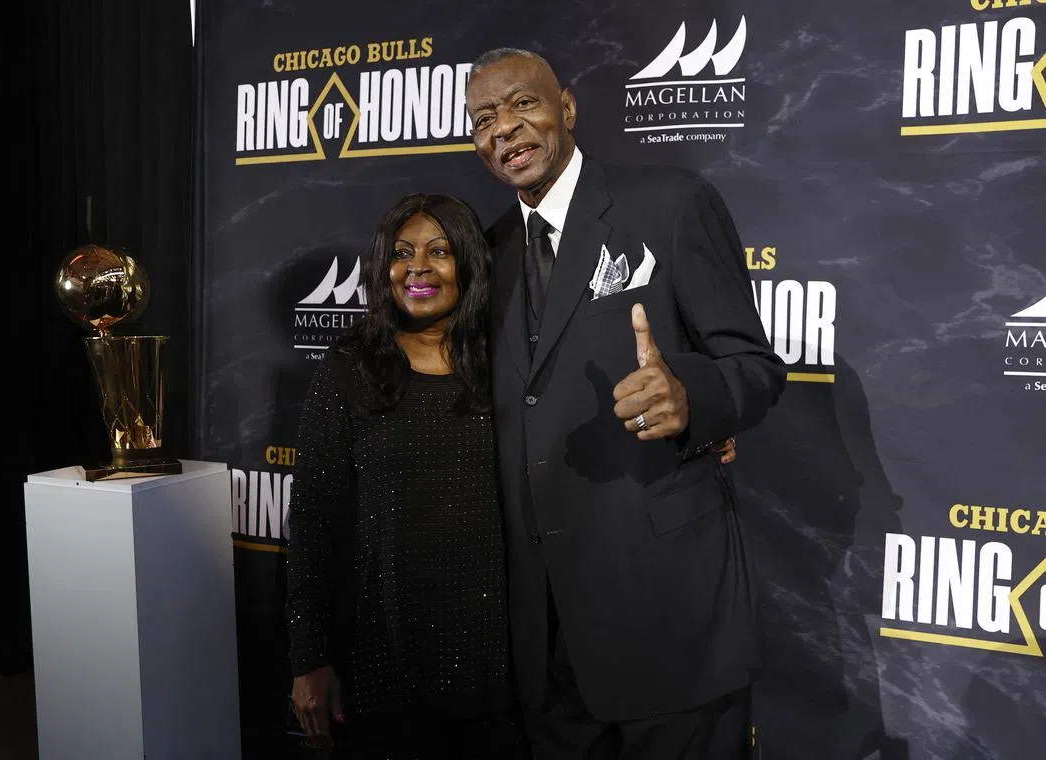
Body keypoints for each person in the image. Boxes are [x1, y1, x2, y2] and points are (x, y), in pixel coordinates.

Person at [464, 48, 788, 759]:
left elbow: (755, 367)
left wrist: (692, 399)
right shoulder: (487, 256)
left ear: (567, 109)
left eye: (523, 104)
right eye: (484, 118)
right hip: (546, 642)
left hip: (669, 616)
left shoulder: (670, 202)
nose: (505, 129)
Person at [285, 193, 527, 759]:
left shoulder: (509, 369)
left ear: (468, 263)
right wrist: (307, 658)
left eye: (439, 251)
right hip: (381, 661)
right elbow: (314, 521)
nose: (417, 267)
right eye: (402, 252)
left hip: (499, 665)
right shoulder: (349, 369)